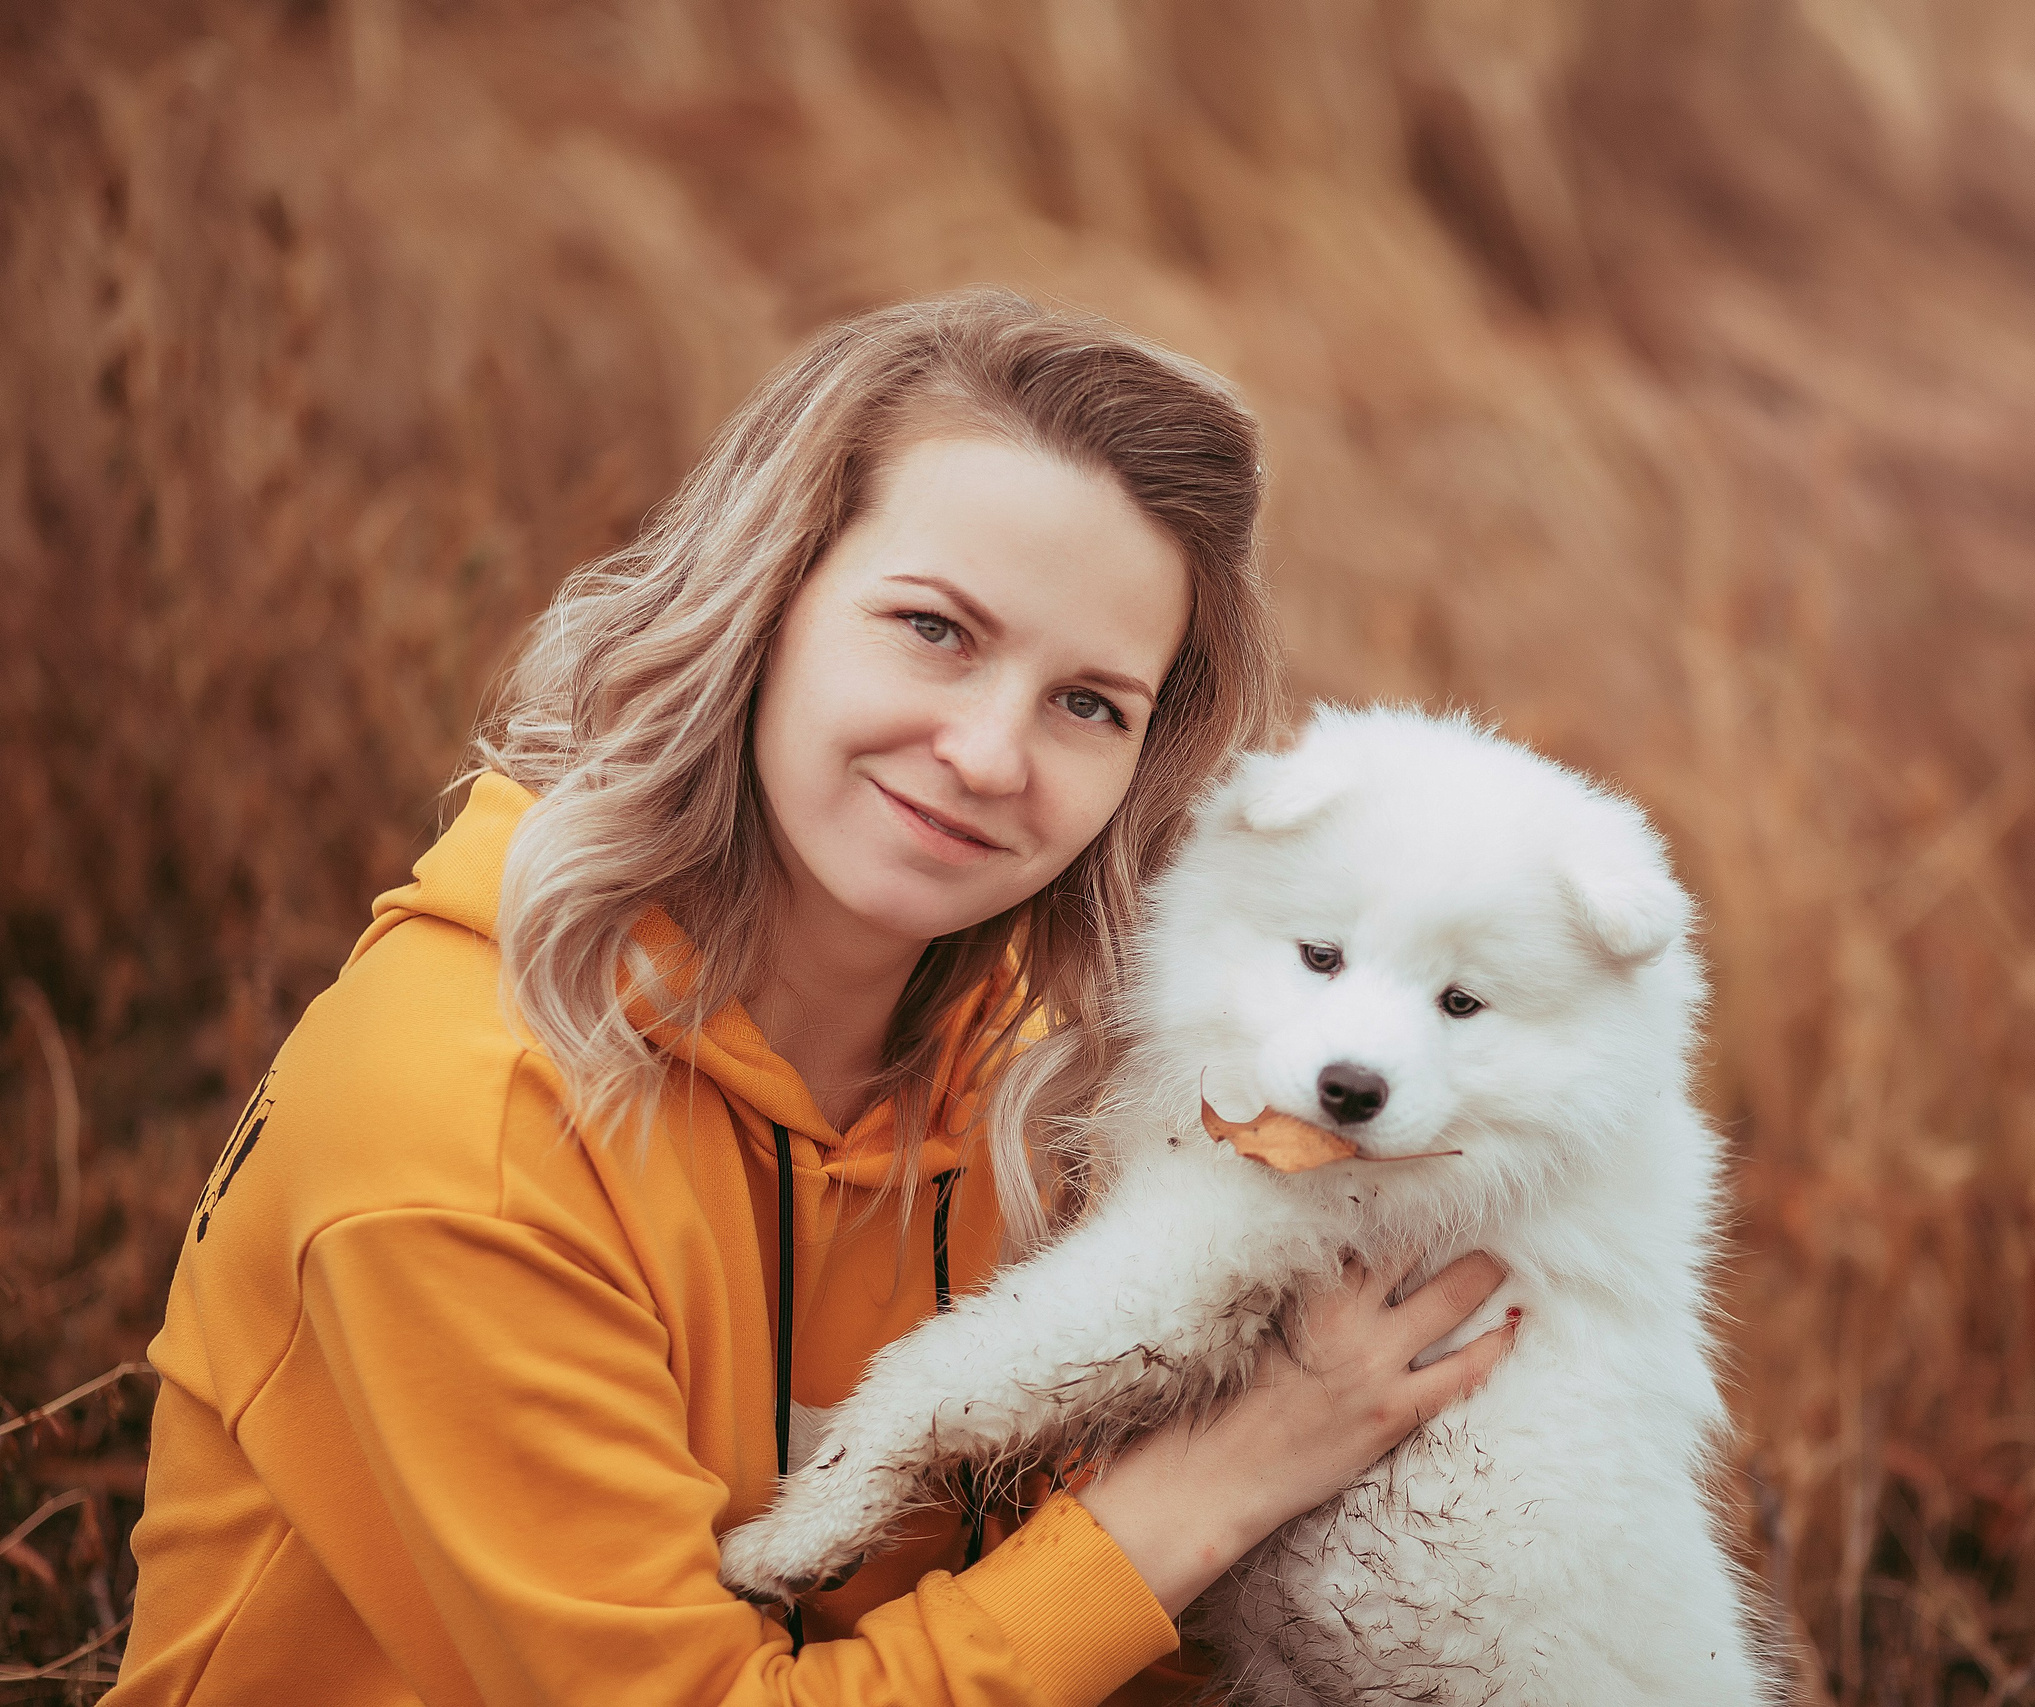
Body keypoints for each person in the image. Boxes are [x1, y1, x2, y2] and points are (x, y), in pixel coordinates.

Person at [108, 291, 1517, 1707]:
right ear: (768, 599)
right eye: (934, 629)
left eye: (1089, 703)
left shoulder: (1035, 1089)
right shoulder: (464, 1134)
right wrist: (1226, 1479)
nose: (985, 753)